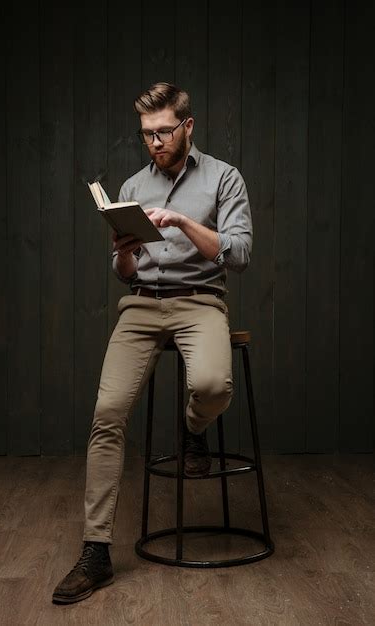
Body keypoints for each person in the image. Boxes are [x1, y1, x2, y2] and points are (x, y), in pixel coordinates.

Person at [52, 82, 253, 604]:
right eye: (147, 135)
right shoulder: (133, 184)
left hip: (199, 300)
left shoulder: (223, 178)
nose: (155, 143)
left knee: (212, 385)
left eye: (164, 132)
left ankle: (192, 429)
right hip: (141, 303)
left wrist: (184, 221)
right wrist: (122, 251)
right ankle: (95, 552)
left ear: (187, 127)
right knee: (107, 411)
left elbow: (239, 252)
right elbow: (125, 272)